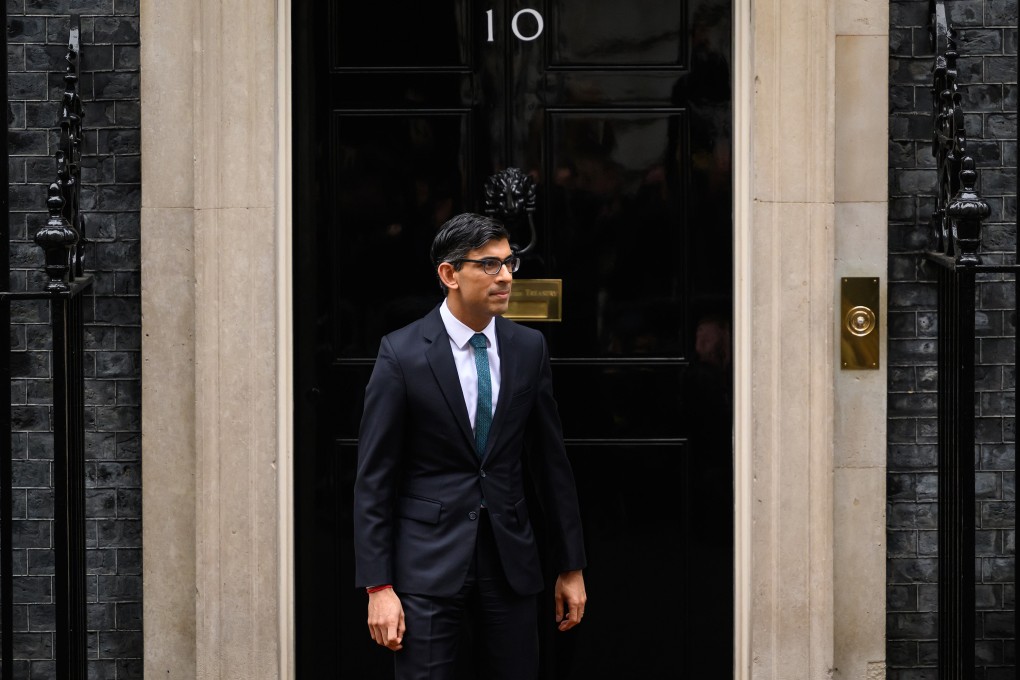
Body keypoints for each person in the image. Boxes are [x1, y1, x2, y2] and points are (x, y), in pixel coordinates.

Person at [353, 212, 588, 680]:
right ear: (449, 275)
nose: (505, 276)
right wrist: (378, 586)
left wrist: (571, 565)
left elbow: (550, 464)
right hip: (427, 565)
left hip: (511, 563)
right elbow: (374, 478)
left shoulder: (528, 348)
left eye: (509, 263)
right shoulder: (402, 353)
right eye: (489, 265)